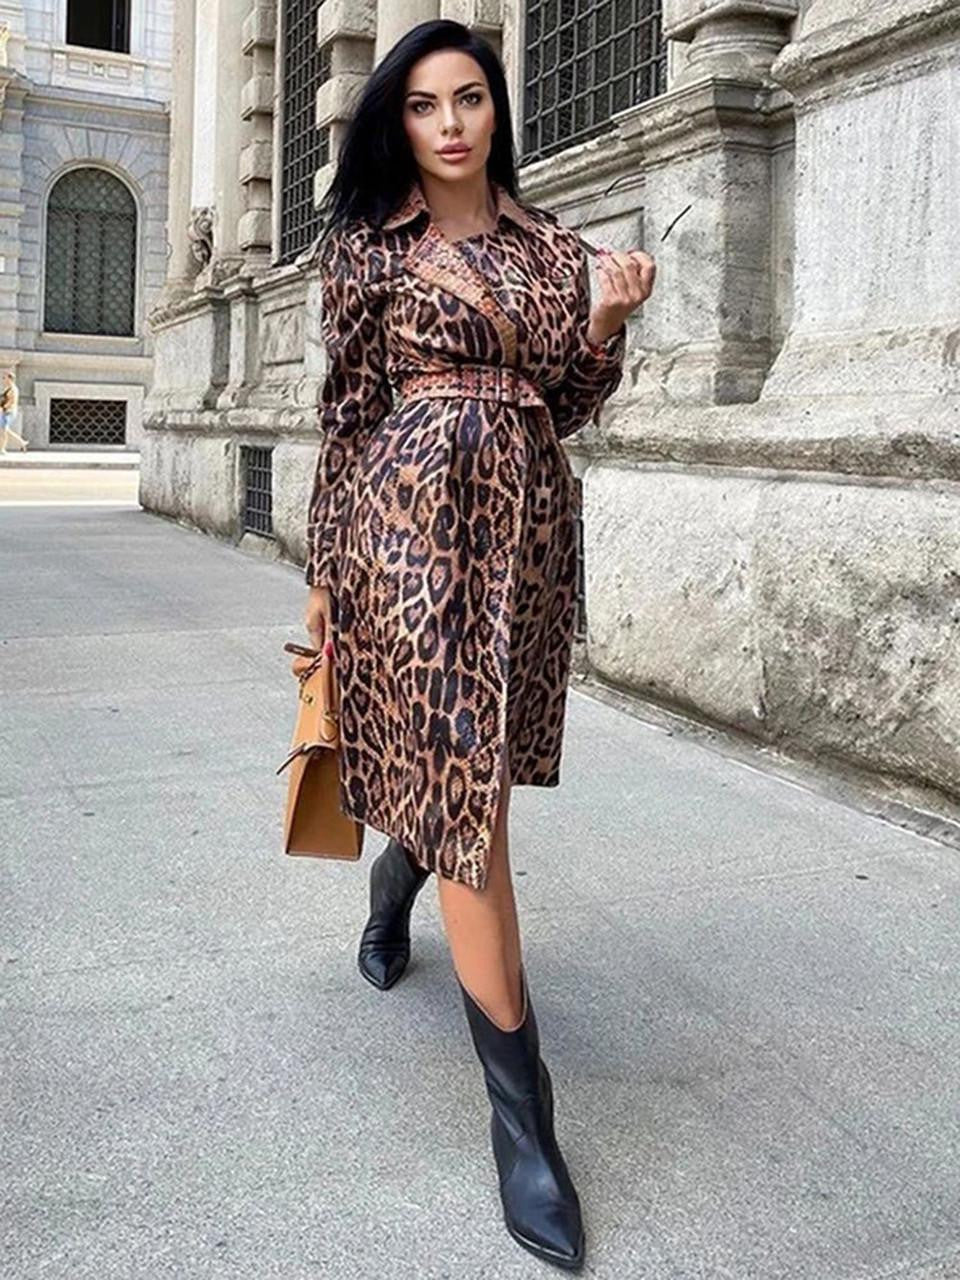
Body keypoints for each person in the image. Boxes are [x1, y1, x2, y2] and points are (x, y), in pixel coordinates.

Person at [302, 19, 655, 1271]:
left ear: (497, 110)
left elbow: (567, 400)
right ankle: (526, 1127)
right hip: (403, 536)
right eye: (423, 104)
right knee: (471, 797)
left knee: (471, 778)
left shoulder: (552, 246)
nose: (449, 123)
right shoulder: (366, 249)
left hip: (522, 541)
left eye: (469, 99)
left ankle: (396, 879)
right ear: (396, 122)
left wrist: (603, 323)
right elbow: (347, 418)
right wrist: (325, 583)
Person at [0, 371, 27, 453]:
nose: (3, 380)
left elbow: (12, 401)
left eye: (4, 378)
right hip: (6, 411)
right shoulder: (8, 388)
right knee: (5, 430)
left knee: (4, 431)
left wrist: (3, 408)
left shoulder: (13, 389)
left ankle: (2, 449)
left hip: (9, 412)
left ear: (10, 379)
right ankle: (22, 442)